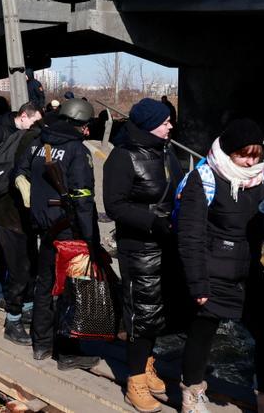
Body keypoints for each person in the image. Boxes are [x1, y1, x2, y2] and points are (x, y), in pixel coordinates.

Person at [177, 119, 264, 413]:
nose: (250, 161)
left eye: (255, 155)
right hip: (213, 270)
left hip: (248, 270)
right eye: (243, 155)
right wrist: (197, 282)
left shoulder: (261, 178)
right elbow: (190, 235)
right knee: (202, 335)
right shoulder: (204, 178)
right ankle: (192, 394)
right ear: (228, 151)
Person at [103, 98, 183, 413]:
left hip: (167, 243)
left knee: (159, 312)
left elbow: (177, 191)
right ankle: (133, 381)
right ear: (150, 124)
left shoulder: (167, 152)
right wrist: (153, 222)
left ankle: (147, 364)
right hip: (139, 248)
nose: (171, 126)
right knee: (141, 313)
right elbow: (115, 206)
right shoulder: (123, 157)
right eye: (165, 122)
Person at [19, 97, 100, 370]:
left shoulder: (39, 142)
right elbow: (83, 197)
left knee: (44, 284)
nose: (88, 130)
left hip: (45, 228)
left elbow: (21, 174)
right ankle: (67, 352)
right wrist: (90, 239)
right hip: (70, 231)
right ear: (80, 124)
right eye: (86, 125)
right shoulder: (77, 151)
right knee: (71, 290)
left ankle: (41, 344)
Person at [0, 102, 43, 346]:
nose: (37, 128)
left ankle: (7, 299)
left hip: (5, 205)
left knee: (10, 256)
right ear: (23, 116)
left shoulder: (21, 135)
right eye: (35, 122)